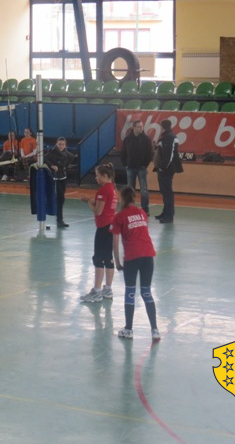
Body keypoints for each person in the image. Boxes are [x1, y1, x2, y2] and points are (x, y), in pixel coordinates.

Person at [111, 186, 160, 341]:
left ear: (122, 198)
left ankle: (129, 329)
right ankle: (155, 330)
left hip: (132, 257)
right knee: (146, 292)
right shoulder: (142, 213)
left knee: (130, 292)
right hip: (148, 254)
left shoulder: (119, 216)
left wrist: (117, 262)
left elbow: (115, 241)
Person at [79, 163, 118, 302]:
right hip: (111, 226)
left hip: (104, 227)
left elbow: (98, 211)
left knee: (99, 258)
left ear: (105, 176)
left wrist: (89, 202)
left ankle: (96, 291)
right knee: (108, 257)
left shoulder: (103, 190)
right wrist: (91, 200)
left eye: (98, 176)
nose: (96, 178)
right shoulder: (112, 188)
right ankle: (108, 289)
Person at [120, 119, 153, 214]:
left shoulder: (146, 139)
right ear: (134, 127)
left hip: (142, 168)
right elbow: (123, 153)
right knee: (130, 189)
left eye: (141, 126)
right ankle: (130, 208)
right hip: (130, 167)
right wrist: (125, 164)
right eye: (138, 127)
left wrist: (145, 164)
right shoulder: (127, 139)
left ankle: (145, 209)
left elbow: (150, 153)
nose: (140, 128)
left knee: (144, 189)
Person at [154, 119, 183, 224]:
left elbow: (170, 154)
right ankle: (165, 212)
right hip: (163, 168)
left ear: (162, 127)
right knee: (164, 192)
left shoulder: (169, 137)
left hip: (166, 169)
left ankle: (169, 216)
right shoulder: (166, 137)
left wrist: (163, 167)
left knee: (167, 192)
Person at [44, 137, 76, 228]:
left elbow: (72, 157)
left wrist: (65, 166)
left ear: (65, 145)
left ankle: (59, 218)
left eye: (63, 144)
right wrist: (52, 165)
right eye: (59, 144)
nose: (61, 146)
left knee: (61, 198)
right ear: (56, 144)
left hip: (62, 176)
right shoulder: (52, 152)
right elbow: (45, 159)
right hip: (54, 177)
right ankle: (58, 218)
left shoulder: (67, 154)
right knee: (58, 197)